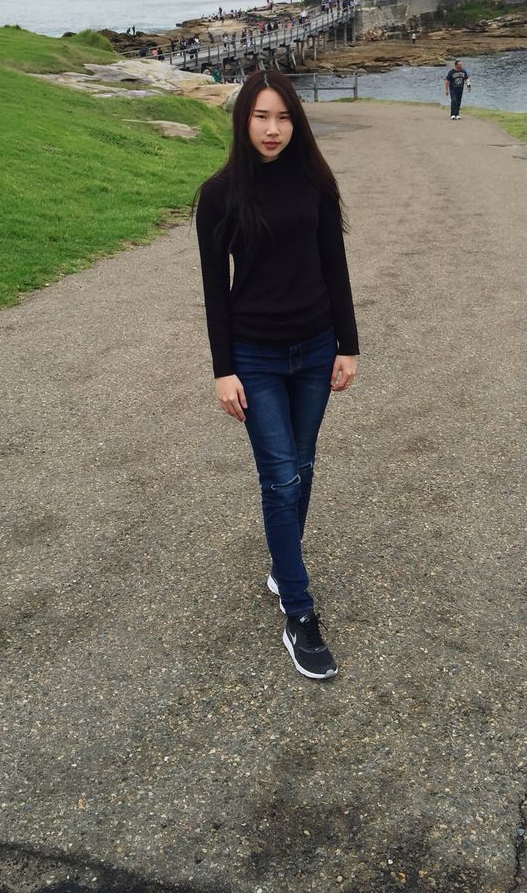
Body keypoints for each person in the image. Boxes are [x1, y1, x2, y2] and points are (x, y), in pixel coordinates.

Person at [195, 71, 359, 681]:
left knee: (303, 467)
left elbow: (334, 265)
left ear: (297, 121)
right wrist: (223, 370)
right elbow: (215, 292)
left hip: (316, 348)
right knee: (281, 478)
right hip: (256, 356)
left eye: (283, 117)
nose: (272, 129)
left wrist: (348, 344)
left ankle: (280, 561)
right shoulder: (219, 195)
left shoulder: (316, 182)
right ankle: (299, 612)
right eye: (261, 117)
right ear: (243, 121)